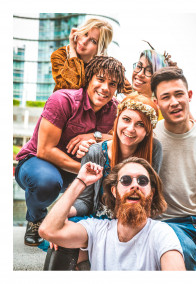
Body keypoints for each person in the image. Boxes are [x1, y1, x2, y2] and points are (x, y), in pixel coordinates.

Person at [15, 55, 126, 247]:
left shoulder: (116, 110)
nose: (105, 88)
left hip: (78, 170)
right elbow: (45, 150)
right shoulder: (63, 100)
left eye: (112, 84)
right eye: (100, 79)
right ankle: (35, 218)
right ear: (89, 78)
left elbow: (122, 137)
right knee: (46, 183)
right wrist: (85, 172)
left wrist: (95, 135)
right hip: (37, 163)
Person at [38, 158, 185, 271]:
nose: (135, 185)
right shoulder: (96, 229)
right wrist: (81, 181)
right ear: (114, 191)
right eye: (126, 180)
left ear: (151, 194)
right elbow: (48, 230)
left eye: (142, 180)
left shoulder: (161, 233)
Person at [151, 67, 196, 270]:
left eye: (179, 94)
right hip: (170, 224)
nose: (174, 102)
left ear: (189, 95)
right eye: (165, 97)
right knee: (183, 254)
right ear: (156, 103)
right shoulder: (150, 136)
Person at [51, 18, 132, 94]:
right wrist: (72, 50)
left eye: (93, 41)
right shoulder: (60, 55)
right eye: (85, 34)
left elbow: (130, 91)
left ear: (100, 48)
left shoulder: (105, 66)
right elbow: (71, 88)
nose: (84, 42)